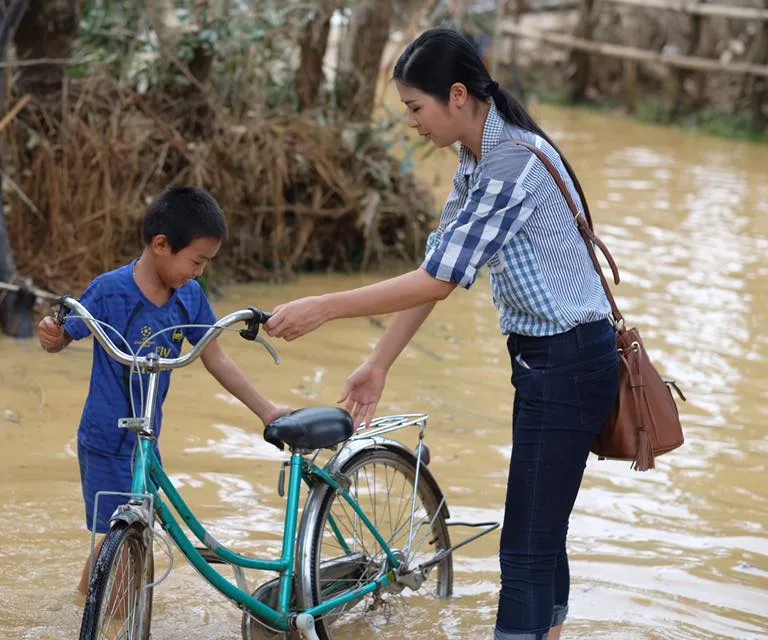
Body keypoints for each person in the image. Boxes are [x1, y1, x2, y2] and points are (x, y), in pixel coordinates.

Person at [264, 28, 620, 640]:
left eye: (415, 108)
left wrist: (325, 306)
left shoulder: (510, 165)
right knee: (541, 533)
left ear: (457, 96)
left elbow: (435, 281)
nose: (412, 122)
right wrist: (378, 363)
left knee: (526, 549)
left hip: (567, 362)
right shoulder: (478, 161)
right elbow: (440, 266)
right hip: (552, 361)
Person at [38, 186, 292, 596]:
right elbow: (62, 334)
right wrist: (50, 334)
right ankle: (109, 614)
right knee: (121, 536)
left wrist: (266, 410)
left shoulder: (189, 297)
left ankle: (86, 604)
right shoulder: (108, 291)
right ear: (161, 245)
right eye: (196, 261)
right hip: (105, 437)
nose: (200, 271)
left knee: (123, 535)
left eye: (207, 262)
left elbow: (216, 357)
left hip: (145, 440)